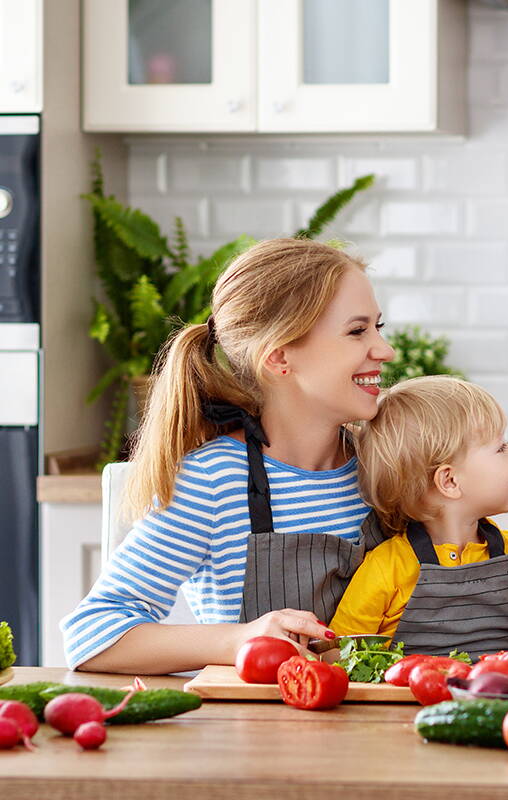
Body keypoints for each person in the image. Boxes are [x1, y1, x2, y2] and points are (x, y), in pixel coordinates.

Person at [62, 238, 395, 674]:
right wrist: (238, 638)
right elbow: (91, 634)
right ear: (279, 356)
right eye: (357, 330)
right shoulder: (216, 479)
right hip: (257, 734)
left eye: (378, 327)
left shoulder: (388, 461)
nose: (384, 350)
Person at [330, 376, 508, 665]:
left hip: (497, 704)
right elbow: (340, 655)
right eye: (500, 447)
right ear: (449, 480)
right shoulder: (387, 568)